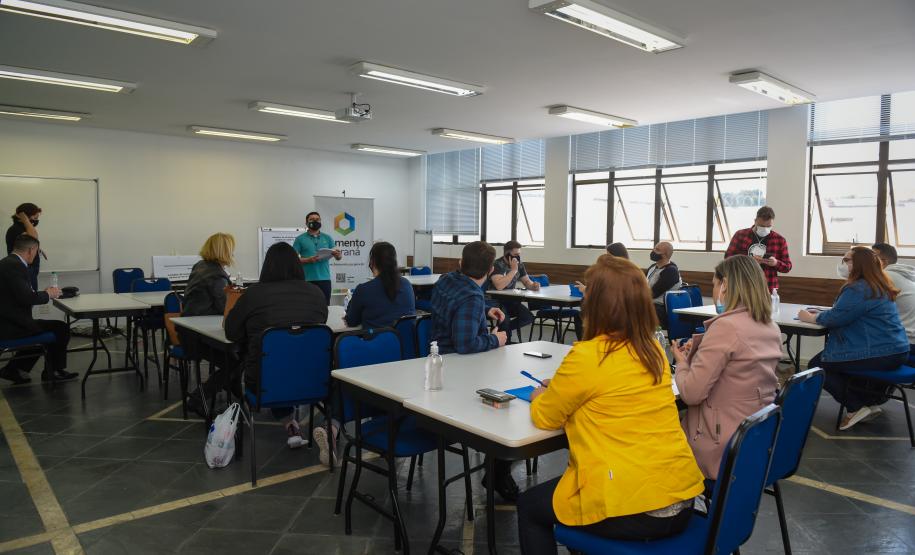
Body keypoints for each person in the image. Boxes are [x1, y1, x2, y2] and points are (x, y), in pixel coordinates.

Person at [517, 255, 705, 554]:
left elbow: (546, 417)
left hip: (634, 508)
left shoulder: (588, 356)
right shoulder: (652, 350)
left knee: (529, 506)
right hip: (682, 498)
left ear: (596, 305)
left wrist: (540, 394)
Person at [191, 242, 328, 447]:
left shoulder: (254, 294)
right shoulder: (316, 294)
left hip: (266, 382)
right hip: (313, 380)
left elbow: (231, 332)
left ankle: (288, 420)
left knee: (273, 362)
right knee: (288, 358)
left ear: (267, 267)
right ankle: (305, 425)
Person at [671, 255, 782, 478]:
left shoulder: (726, 327)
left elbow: (691, 393)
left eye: (714, 284)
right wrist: (703, 349)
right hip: (755, 437)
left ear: (725, 285)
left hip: (717, 444)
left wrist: (682, 363)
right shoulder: (771, 326)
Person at [430, 241, 516, 499]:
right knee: (505, 406)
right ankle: (498, 473)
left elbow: (453, 311)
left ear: (460, 263)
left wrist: (483, 311)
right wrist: (496, 340)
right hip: (459, 371)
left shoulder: (447, 280)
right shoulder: (471, 296)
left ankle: (498, 470)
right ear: (491, 270)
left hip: (440, 364)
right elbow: (466, 344)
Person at [798, 247, 909, 429]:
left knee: (817, 367)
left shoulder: (858, 288)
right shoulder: (878, 284)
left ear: (859, 264)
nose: (844, 263)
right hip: (896, 349)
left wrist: (810, 317)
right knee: (829, 363)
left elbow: (836, 318)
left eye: (847, 260)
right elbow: (847, 312)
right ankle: (866, 404)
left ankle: (855, 407)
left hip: (880, 352)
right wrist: (824, 313)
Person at [0, 234, 76, 384]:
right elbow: (27, 298)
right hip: (12, 326)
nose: (36, 256)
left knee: (45, 330)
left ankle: (13, 369)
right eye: (37, 252)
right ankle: (54, 371)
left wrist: (43, 293)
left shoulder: (7, 263)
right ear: (31, 250)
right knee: (60, 328)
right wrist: (48, 294)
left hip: (8, 321)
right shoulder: (15, 266)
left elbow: (19, 294)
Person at [344, 241, 415, 329]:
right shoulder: (407, 284)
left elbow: (351, 321)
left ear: (373, 262)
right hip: (406, 340)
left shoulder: (363, 290)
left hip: (375, 341)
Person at [725, 205, 792, 292]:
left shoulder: (779, 240)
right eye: (761, 226)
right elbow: (727, 259)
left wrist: (776, 263)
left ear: (772, 223)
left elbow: (787, 267)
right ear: (755, 221)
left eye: (768, 226)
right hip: (742, 286)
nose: (765, 229)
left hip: (767, 288)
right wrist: (748, 261)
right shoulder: (740, 235)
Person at [488, 240, 539, 339]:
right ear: (507, 254)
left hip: (510, 300)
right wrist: (513, 270)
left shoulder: (519, 264)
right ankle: (503, 335)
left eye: (519, 254)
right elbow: (499, 286)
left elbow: (527, 282)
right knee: (505, 320)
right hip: (495, 301)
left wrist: (534, 286)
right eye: (515, 254)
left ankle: (499, 332)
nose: (518, 257)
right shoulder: (497, 264)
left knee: (528, 317)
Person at [872, 243, 915, 357]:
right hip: (909, 340)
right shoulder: (906, 275)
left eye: (871, 258)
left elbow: (854, 309)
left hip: (903, 344)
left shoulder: (885, 276)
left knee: (829, 357)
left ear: (883, 262)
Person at [293, 211, 342, 304]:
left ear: (320, 222)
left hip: (324, 279)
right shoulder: (300, 239)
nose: (315, 221)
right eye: (312, 219)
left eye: (317, 219)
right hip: (307, 280)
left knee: (325, 307)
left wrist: (338, 255)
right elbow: (292, 260)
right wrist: (308, 260)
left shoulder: (328, 238)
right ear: (306, 223)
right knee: (307, 307)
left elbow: (338, 257)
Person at [182, 233, 235, 316]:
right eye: (231, 251)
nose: (232, 254)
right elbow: (225, 307)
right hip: (201, 322)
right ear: (225, 252)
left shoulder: (200, 265)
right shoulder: (217, 275)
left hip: (189, 318)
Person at [5, 203, 42, 291]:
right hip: (23, 268)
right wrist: (25, 219)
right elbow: (33, 237)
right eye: (35, 217)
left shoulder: (23, 229)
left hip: (29, 268)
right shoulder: (16, 229)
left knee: (31, 296)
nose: (36, 221)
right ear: (26, 216)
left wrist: (37, 248)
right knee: (28, 298)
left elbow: (30, 242)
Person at [646, 241, 681, 325]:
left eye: (657, 250)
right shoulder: (653, 267)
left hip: (661, 309)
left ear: (665, 255)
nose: (653, 251)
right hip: (649, 305)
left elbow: (653, 293)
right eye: (654, 248)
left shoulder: (671, 271)